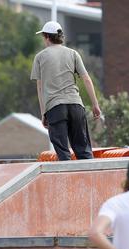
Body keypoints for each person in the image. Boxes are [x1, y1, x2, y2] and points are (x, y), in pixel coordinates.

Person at [31, 21, 102, 161]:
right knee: (84, 150)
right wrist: (95, 105)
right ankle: (90, 180)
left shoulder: (40, 57)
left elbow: (40, 88)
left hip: (55, 108)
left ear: (46, 37)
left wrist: (43, 112)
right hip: (76, 106)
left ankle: (69, 182)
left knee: (63, 154)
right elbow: (86, 79)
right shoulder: (73, 53)